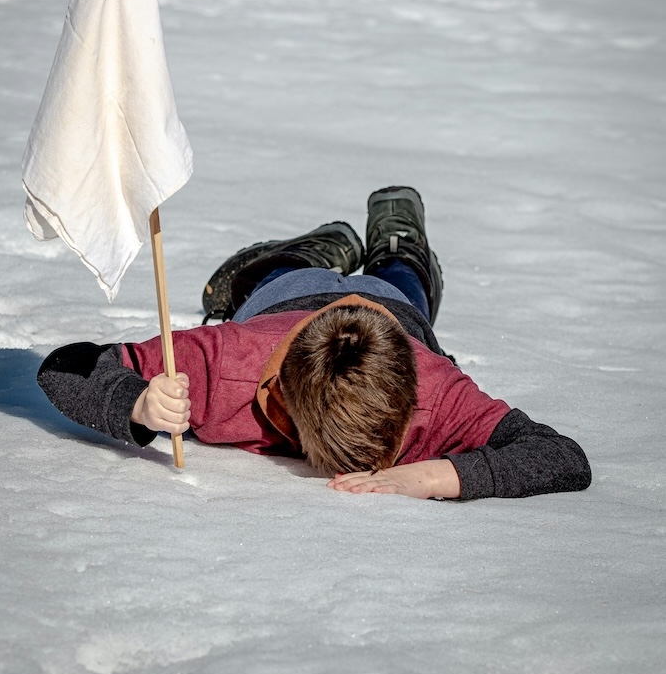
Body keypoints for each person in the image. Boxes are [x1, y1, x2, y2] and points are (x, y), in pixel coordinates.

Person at [37, 186, 591, 501]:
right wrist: (136, 401)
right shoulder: (223, 365)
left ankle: (400, 246)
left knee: (401, 279)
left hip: (391, 311)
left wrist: (434, 475)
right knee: (270, 278)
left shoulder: (440, 393)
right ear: (289, 406)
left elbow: (562, 457)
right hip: (286, 300)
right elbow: (67, 366)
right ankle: (314, 252)